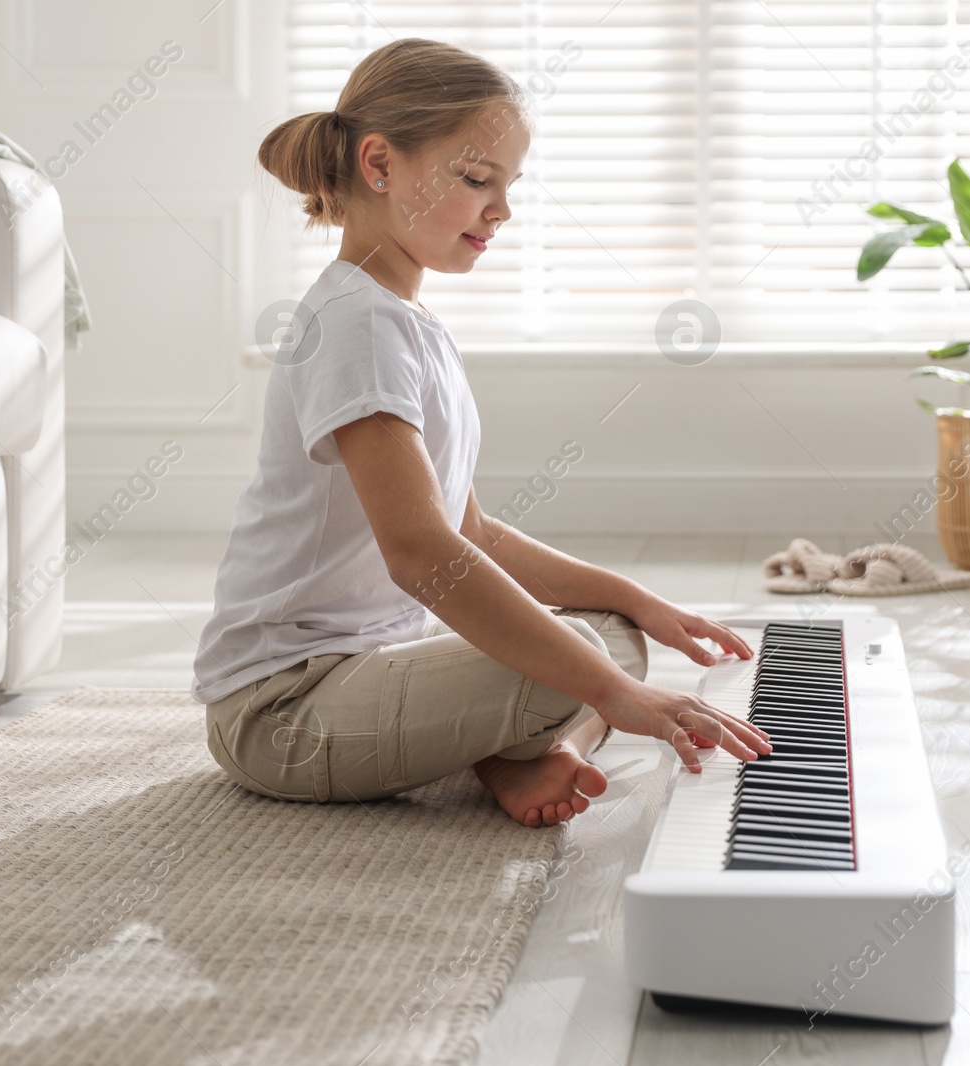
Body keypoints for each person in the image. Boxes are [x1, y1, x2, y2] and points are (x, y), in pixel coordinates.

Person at [192, 37, 770, 828]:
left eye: (508, 185)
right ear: (379, 164)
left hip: (366, 671)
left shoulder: (404, 320)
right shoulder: (355, 325)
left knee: (615, 635)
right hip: (282, 712)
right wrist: (611, 692)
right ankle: (519, 748)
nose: (502, 210)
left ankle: (510, 749)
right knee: (589, 669)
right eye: (476, 180)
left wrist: (639, 599)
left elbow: (470, 531)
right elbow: (421, 551)